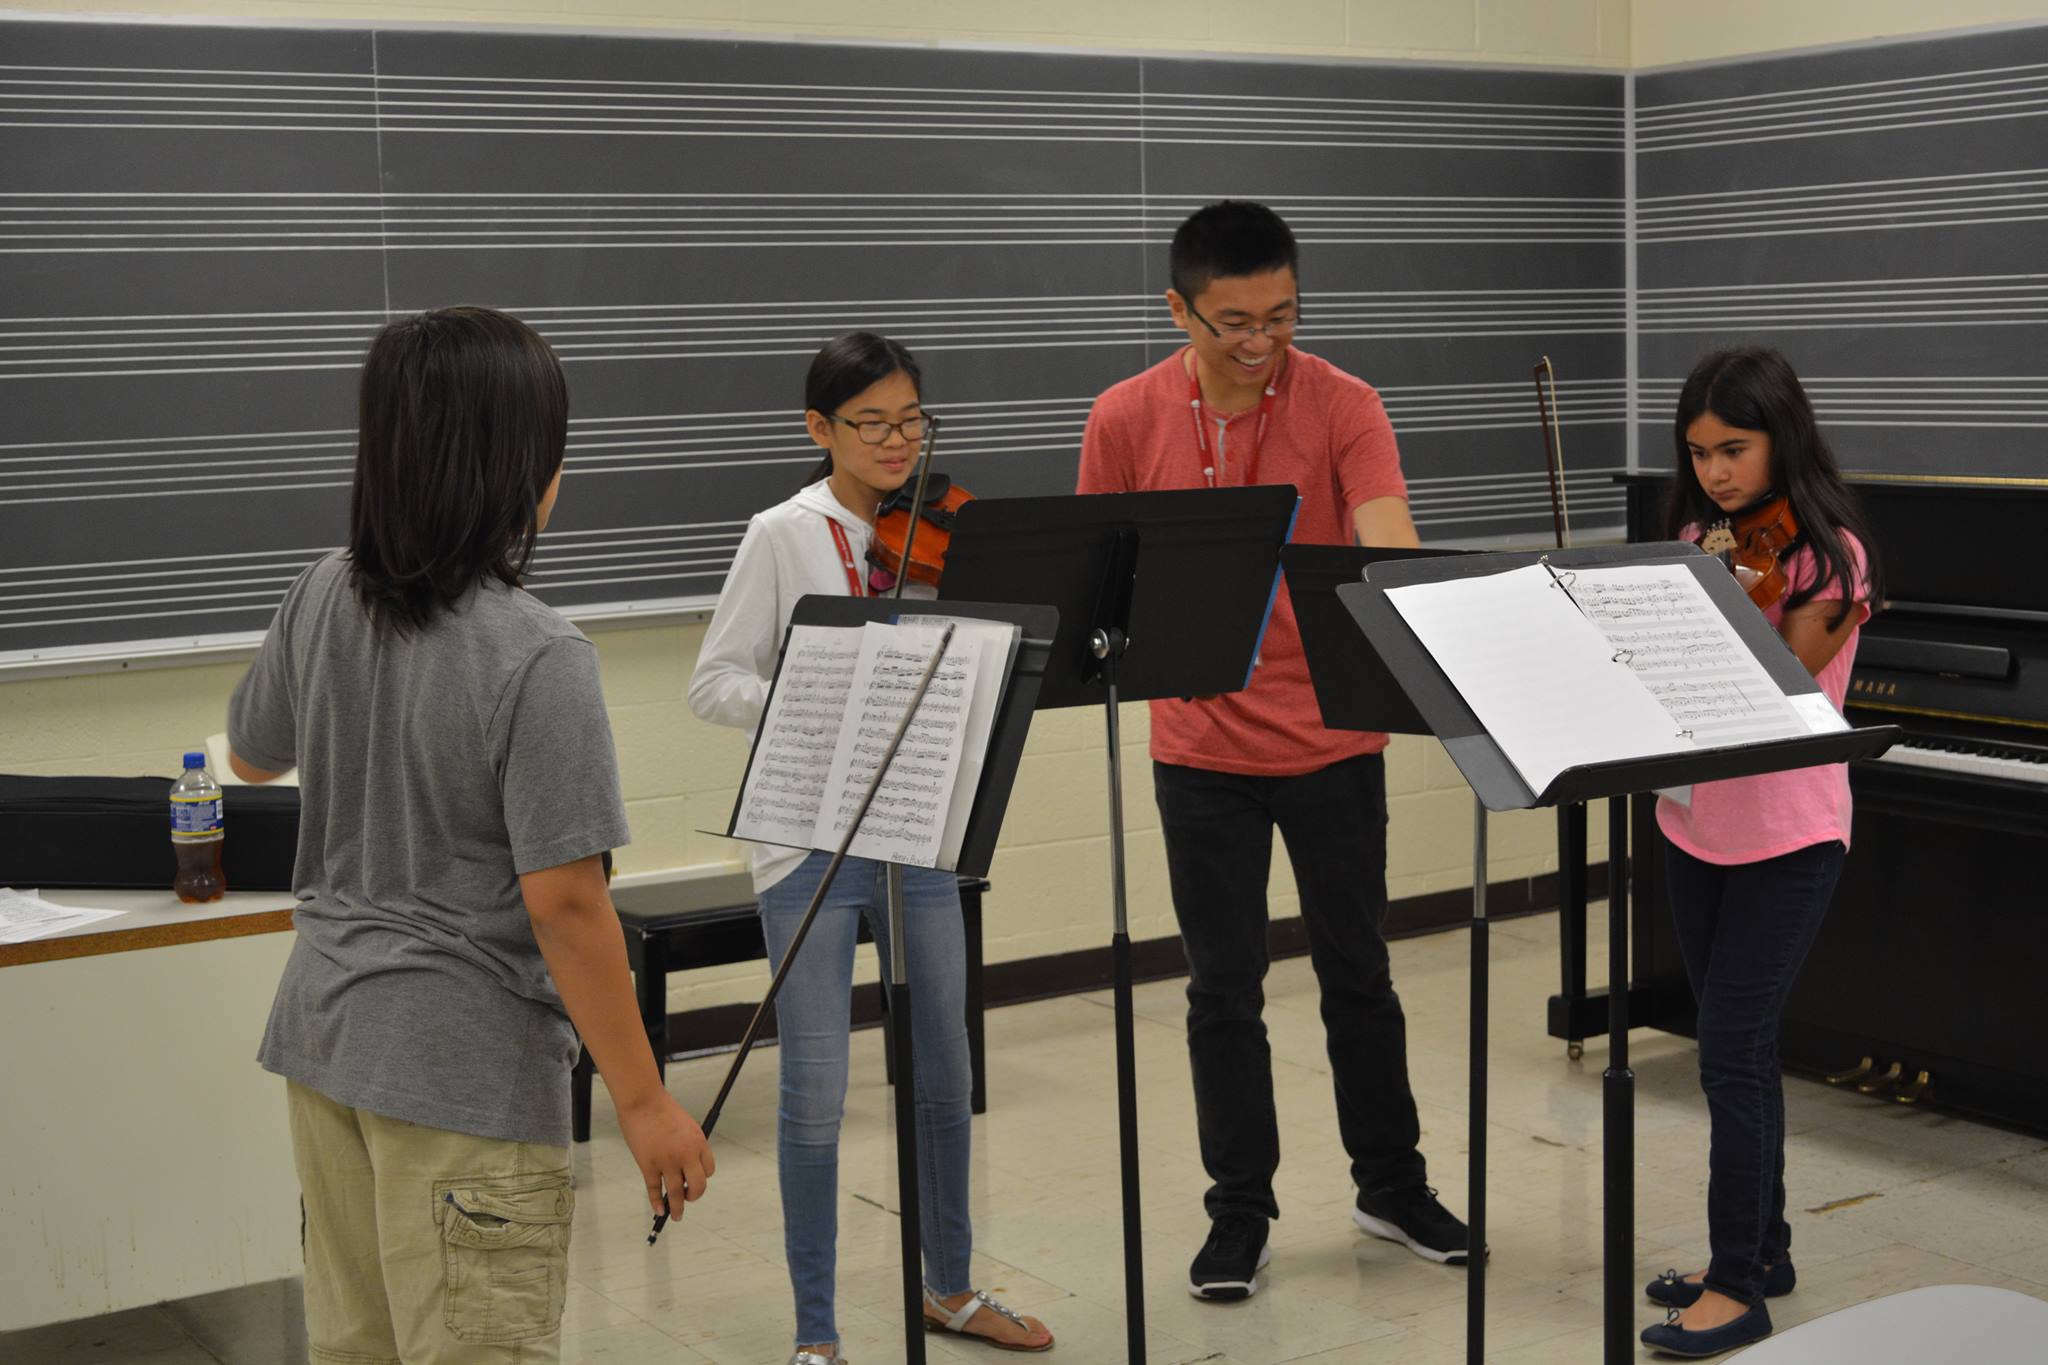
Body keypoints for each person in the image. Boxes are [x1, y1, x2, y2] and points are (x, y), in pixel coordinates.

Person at [226, 306, 713, 1364]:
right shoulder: (538, 653)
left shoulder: (320, 590)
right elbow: (566, 901)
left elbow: (252, 754)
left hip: (326, 1040)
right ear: (517, 462)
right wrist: (644, 1101)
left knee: (358, 1348)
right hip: (463, 1072)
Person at [1076, 200, 1469, 1302]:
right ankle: (1238, 1211)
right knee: (1222, 991)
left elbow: (1384, 530)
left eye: (1281, 317)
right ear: (1178, 311)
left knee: (1360, 973)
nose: (1259, 344)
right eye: (1232, 323)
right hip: (1198, 751)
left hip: (1332, 740)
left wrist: (1409, 590)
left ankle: (1390, 1183)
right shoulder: (1123, 416)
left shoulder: (1342, 402)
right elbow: (1095, 579)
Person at [688, 331, 1054, 1361]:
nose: (898, 442)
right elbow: (714, 683)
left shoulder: (942, 528)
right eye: (871, 424)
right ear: (819, 429)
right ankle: (816, 1335)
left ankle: (950, 1288)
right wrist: (823, 697)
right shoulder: (781, 533)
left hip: (918, 833)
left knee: (943, 1069)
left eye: (911, 420)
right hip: (804, 840)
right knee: (815, 1094)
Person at [1640, 346, 1880, 1359]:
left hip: (1785, 835)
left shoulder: (1828, 557)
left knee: (1733, 1055)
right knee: (1730, 1046)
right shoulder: (1710, 540)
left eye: (1731, 450)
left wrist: (1711, 602)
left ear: (1781, 436)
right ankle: (1763, 1244)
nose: (1714, 474)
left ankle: (1737, 1286)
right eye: (1696, 454)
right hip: (1695, 826)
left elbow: (1771, 688)